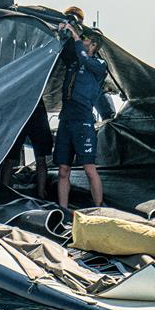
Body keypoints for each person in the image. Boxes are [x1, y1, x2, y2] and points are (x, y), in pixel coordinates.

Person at [54, 24, 108, 209]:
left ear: (93, 45)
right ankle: (63, 209)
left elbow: (86, 61)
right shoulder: (74, 62)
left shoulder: (99, 65)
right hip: (66, 118)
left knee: (89, 169)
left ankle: (99, 207)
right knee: (63, 170)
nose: (81, 40)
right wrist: (65, 31)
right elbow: (63, 50)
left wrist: (77, 40)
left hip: (83, 119)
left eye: (85, 39)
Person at [62, 6, 116, 121]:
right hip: (75, 84)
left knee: (109, 117)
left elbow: (96, 40)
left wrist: (91, 35)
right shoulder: (61, 36)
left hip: (95, 82)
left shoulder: (84, 34)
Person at [0, 100, 53, 199]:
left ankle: (41, 193)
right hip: (21, 110)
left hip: (33, 110)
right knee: (10, 159)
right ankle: (4, 193)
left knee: (40, 158)